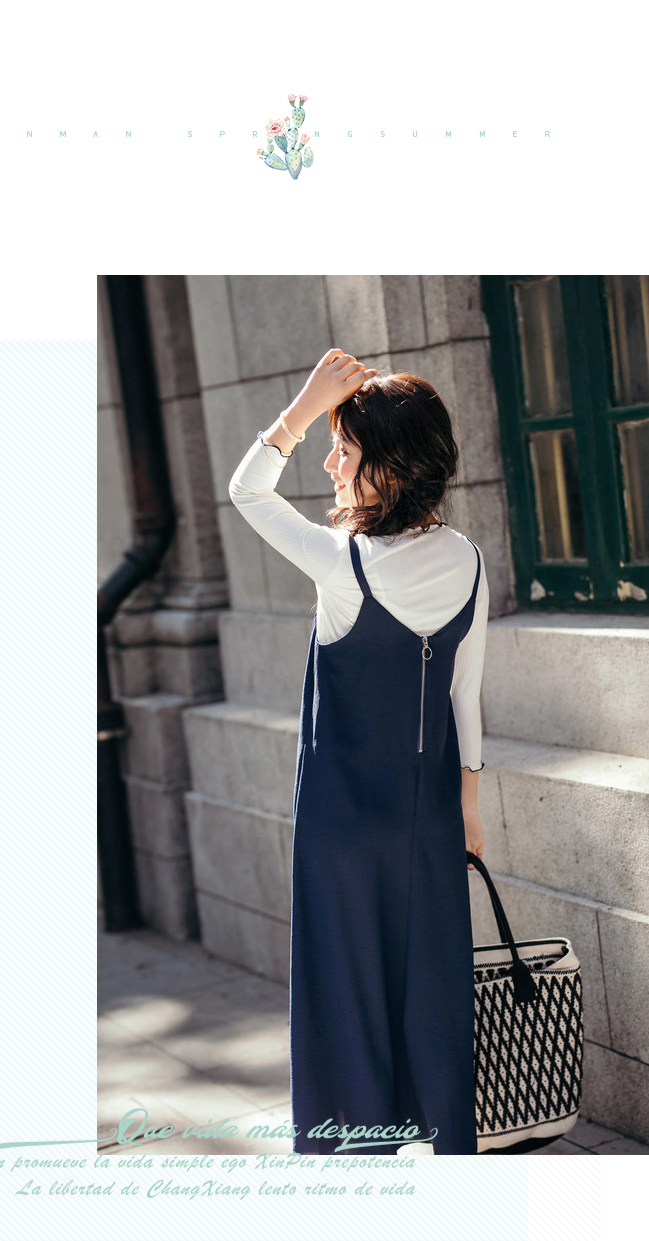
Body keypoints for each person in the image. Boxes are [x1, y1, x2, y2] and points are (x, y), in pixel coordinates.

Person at [228, 348, 489, 1157]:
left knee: (346, 1006)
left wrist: (301, 409)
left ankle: (358, 1167)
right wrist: (469, 811)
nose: (330, 463)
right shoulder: (468, 558)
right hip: (429, 827)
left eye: (344, 448)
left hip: (340, 833)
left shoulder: (343, 565)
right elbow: (466, 695)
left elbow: (247, 490)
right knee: (433, 1002)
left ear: (390, 468)